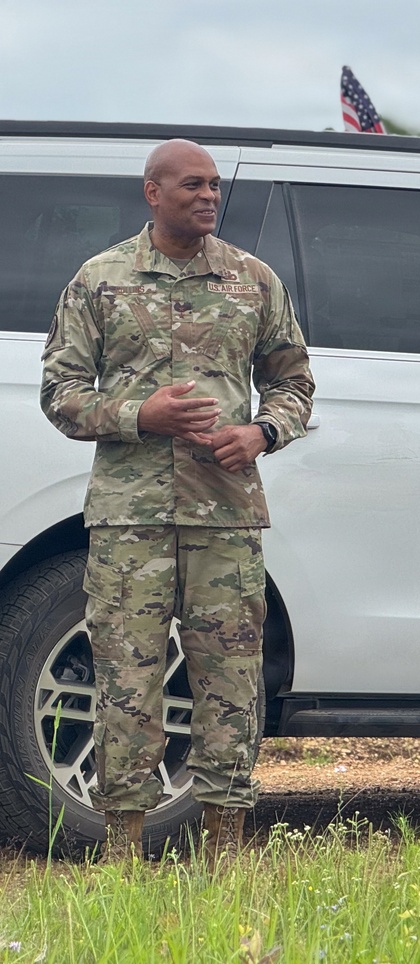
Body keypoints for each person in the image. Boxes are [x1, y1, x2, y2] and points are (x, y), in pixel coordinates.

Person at [40, 139, 315, 866]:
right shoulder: (99, 281)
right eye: (191, 184)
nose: (207, 196)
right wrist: (139, 415)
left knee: (229, 676)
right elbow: (60, 395)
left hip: (225, 515)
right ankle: (123, 850)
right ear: (151, 193)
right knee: (126, 677)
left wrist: (262, 431)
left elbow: (294, 381)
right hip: (130, 518)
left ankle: (225, 848)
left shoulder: (252, 281)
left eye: (214, 186)